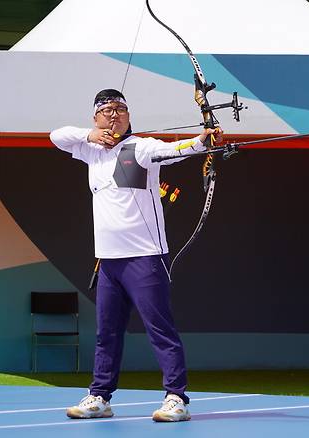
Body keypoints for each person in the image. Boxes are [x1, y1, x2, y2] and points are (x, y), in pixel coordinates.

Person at [50, 89, 222, 422]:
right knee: (106, 332)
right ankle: (100, 397)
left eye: (121, 109)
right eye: (107, 110)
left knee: (160, 328)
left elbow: (174, 150)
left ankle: (177, 398)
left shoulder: (140, 148)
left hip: (144, 257)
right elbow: (56, 136)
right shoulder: (90, 151)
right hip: (109, 261)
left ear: (130, 116)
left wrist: (203, 140)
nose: (115, 115)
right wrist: (91, 136)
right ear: (96, 118)